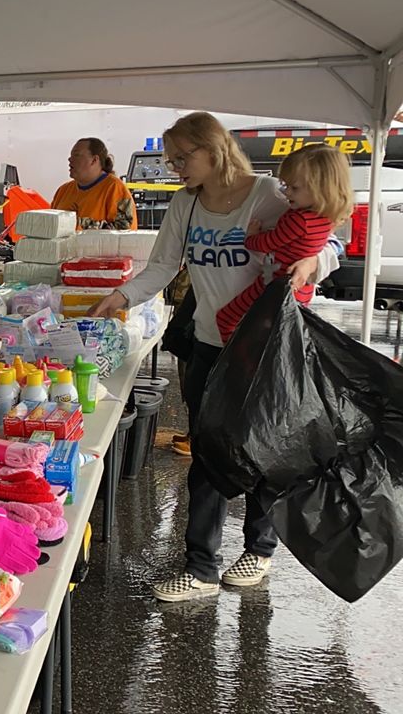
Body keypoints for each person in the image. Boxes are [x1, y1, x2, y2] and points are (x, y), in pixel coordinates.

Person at [88, 112, 341, 602]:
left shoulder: (268, 194)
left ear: (215, 149)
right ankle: (201, 566)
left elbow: (327, 234)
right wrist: (120, 297)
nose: (175, 167)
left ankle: (259, 549)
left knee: (264, 449)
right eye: (172, 158)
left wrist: (314, 261)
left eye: (184, 157)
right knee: (206, 454)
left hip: (265, 346)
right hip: (207, 341)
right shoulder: (186, 204)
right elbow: (162, 266)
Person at [216, 143, 352, 342]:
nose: (287, 193)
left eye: (294, 188)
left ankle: (234, 358)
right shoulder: (327, 218)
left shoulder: (298, 220)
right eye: (285, 185)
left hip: (273, 284)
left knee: (226, 318)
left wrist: (250, 237)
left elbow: (266, 244)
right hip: (301, 291)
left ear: (321, 188)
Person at [51, 138, 137, 230]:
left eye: (76, 155)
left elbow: (125, 230)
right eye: (70, 155)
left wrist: (79, 223)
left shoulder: (115, 189)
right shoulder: (63, 191)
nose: (70, 159)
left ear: (94, 160)